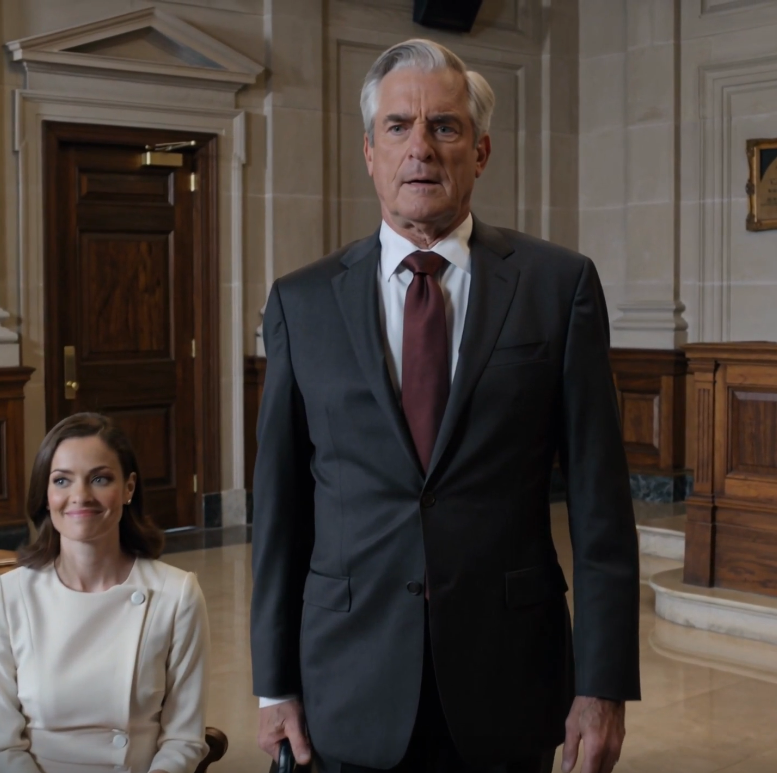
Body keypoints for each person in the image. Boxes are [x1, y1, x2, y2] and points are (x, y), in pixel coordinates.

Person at [250, 39, 640, 773]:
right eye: (397, 126)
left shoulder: (558, 287)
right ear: (370, 152)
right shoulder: (301, 302)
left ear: (480, 151)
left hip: (508, 674)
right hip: (347, 677)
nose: (420, 148)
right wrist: (275, 685)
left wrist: (602, 684)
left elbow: (601, 510)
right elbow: (279, 514)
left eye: (444, 127)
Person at [0, 413, 211, 773]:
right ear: (46, 495)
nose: (80, 496)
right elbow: (4, 744)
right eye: (62, 480)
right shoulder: (8, 596)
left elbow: (183, 740)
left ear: (129, 488)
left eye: (100, 479)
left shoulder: (177, 595)